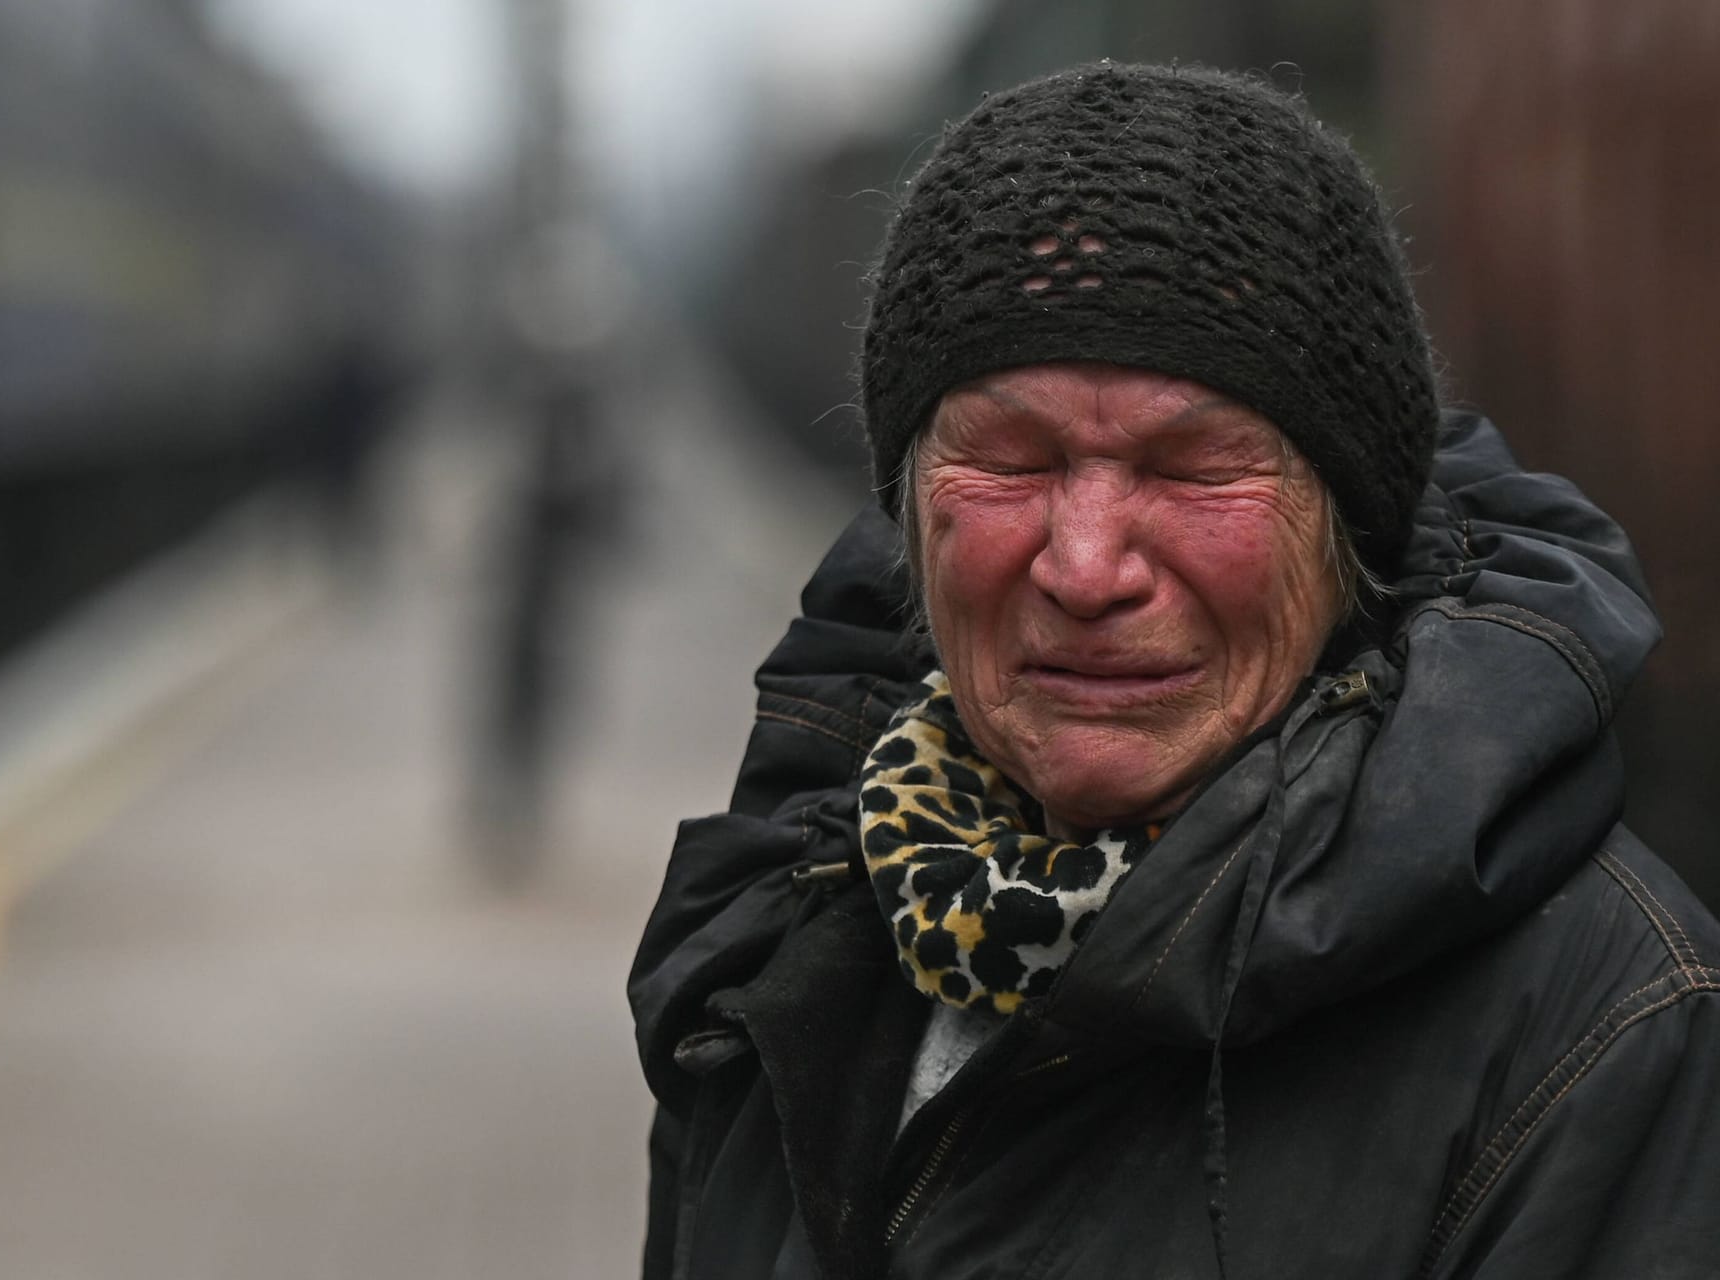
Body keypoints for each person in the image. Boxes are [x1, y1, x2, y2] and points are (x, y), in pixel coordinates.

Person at [628, 63, 1720, 1279]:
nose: (1086, 567)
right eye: (1013, 458)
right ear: (912, 511)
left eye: (1196, 467)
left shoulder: (1598, 1026)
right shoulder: (793, 923)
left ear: (1343, 522)